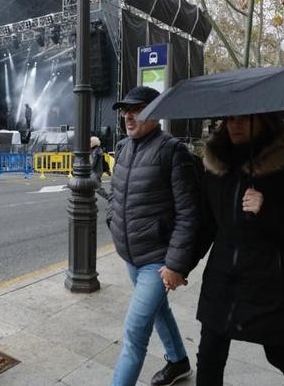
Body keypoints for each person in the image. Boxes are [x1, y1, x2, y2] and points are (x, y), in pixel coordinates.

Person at [193, 114, 284, 386]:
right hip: (223, 280)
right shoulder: (217, 170)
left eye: (244, 119)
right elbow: (206, 226)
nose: (235, 125)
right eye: (230, 119)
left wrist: (267, 209)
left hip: (270, 283)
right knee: (209, 357)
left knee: (278, 353)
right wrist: (178, 265)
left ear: (265, 122)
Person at [108, 86, 201, 386]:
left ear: (155, 112)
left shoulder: (173, 152)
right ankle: (179, 362)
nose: (128, 116)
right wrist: (114, 222)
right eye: (125, 110)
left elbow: (189, 214)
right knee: (159, 311)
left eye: (136, 109)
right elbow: (116, 195)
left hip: (157, 262)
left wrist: (175, 264)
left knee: (135, 333)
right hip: (132, 256)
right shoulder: (122, 148)